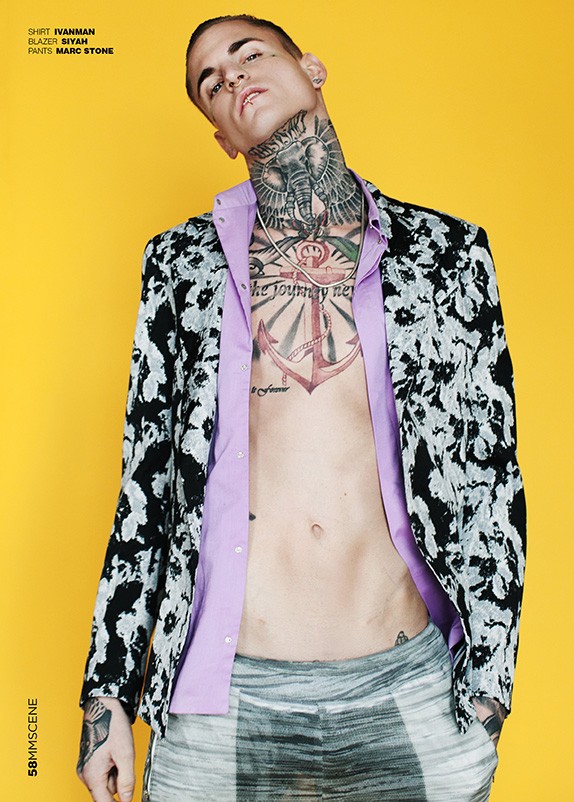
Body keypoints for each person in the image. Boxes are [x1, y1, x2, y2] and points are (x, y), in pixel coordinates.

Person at [76, 13, 526, 802]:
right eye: (210, 83)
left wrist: (490, 685)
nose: (231, 76)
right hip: (227, 698)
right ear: (220, 135)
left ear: (311, 68)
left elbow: (492, 476)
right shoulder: (180, 266)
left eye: (248, 53)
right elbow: (145, 488)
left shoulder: (446, 255)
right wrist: (105, 696)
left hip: (407, 686)